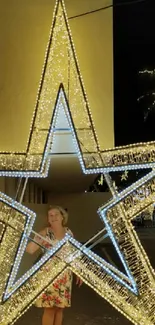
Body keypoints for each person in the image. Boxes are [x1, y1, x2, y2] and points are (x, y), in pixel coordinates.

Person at [26, 205, 82, 325]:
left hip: (64, 275)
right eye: (50, 215)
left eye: (56, 214)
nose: (53, 217)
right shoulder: (45, 232)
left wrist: (78, 271)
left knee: (60, 308)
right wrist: (39, 240)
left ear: (62, 217)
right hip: (49, 274)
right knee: (50, 308)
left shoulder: (68, 233)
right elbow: (30, 250)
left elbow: (73, 253)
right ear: (48, 219)